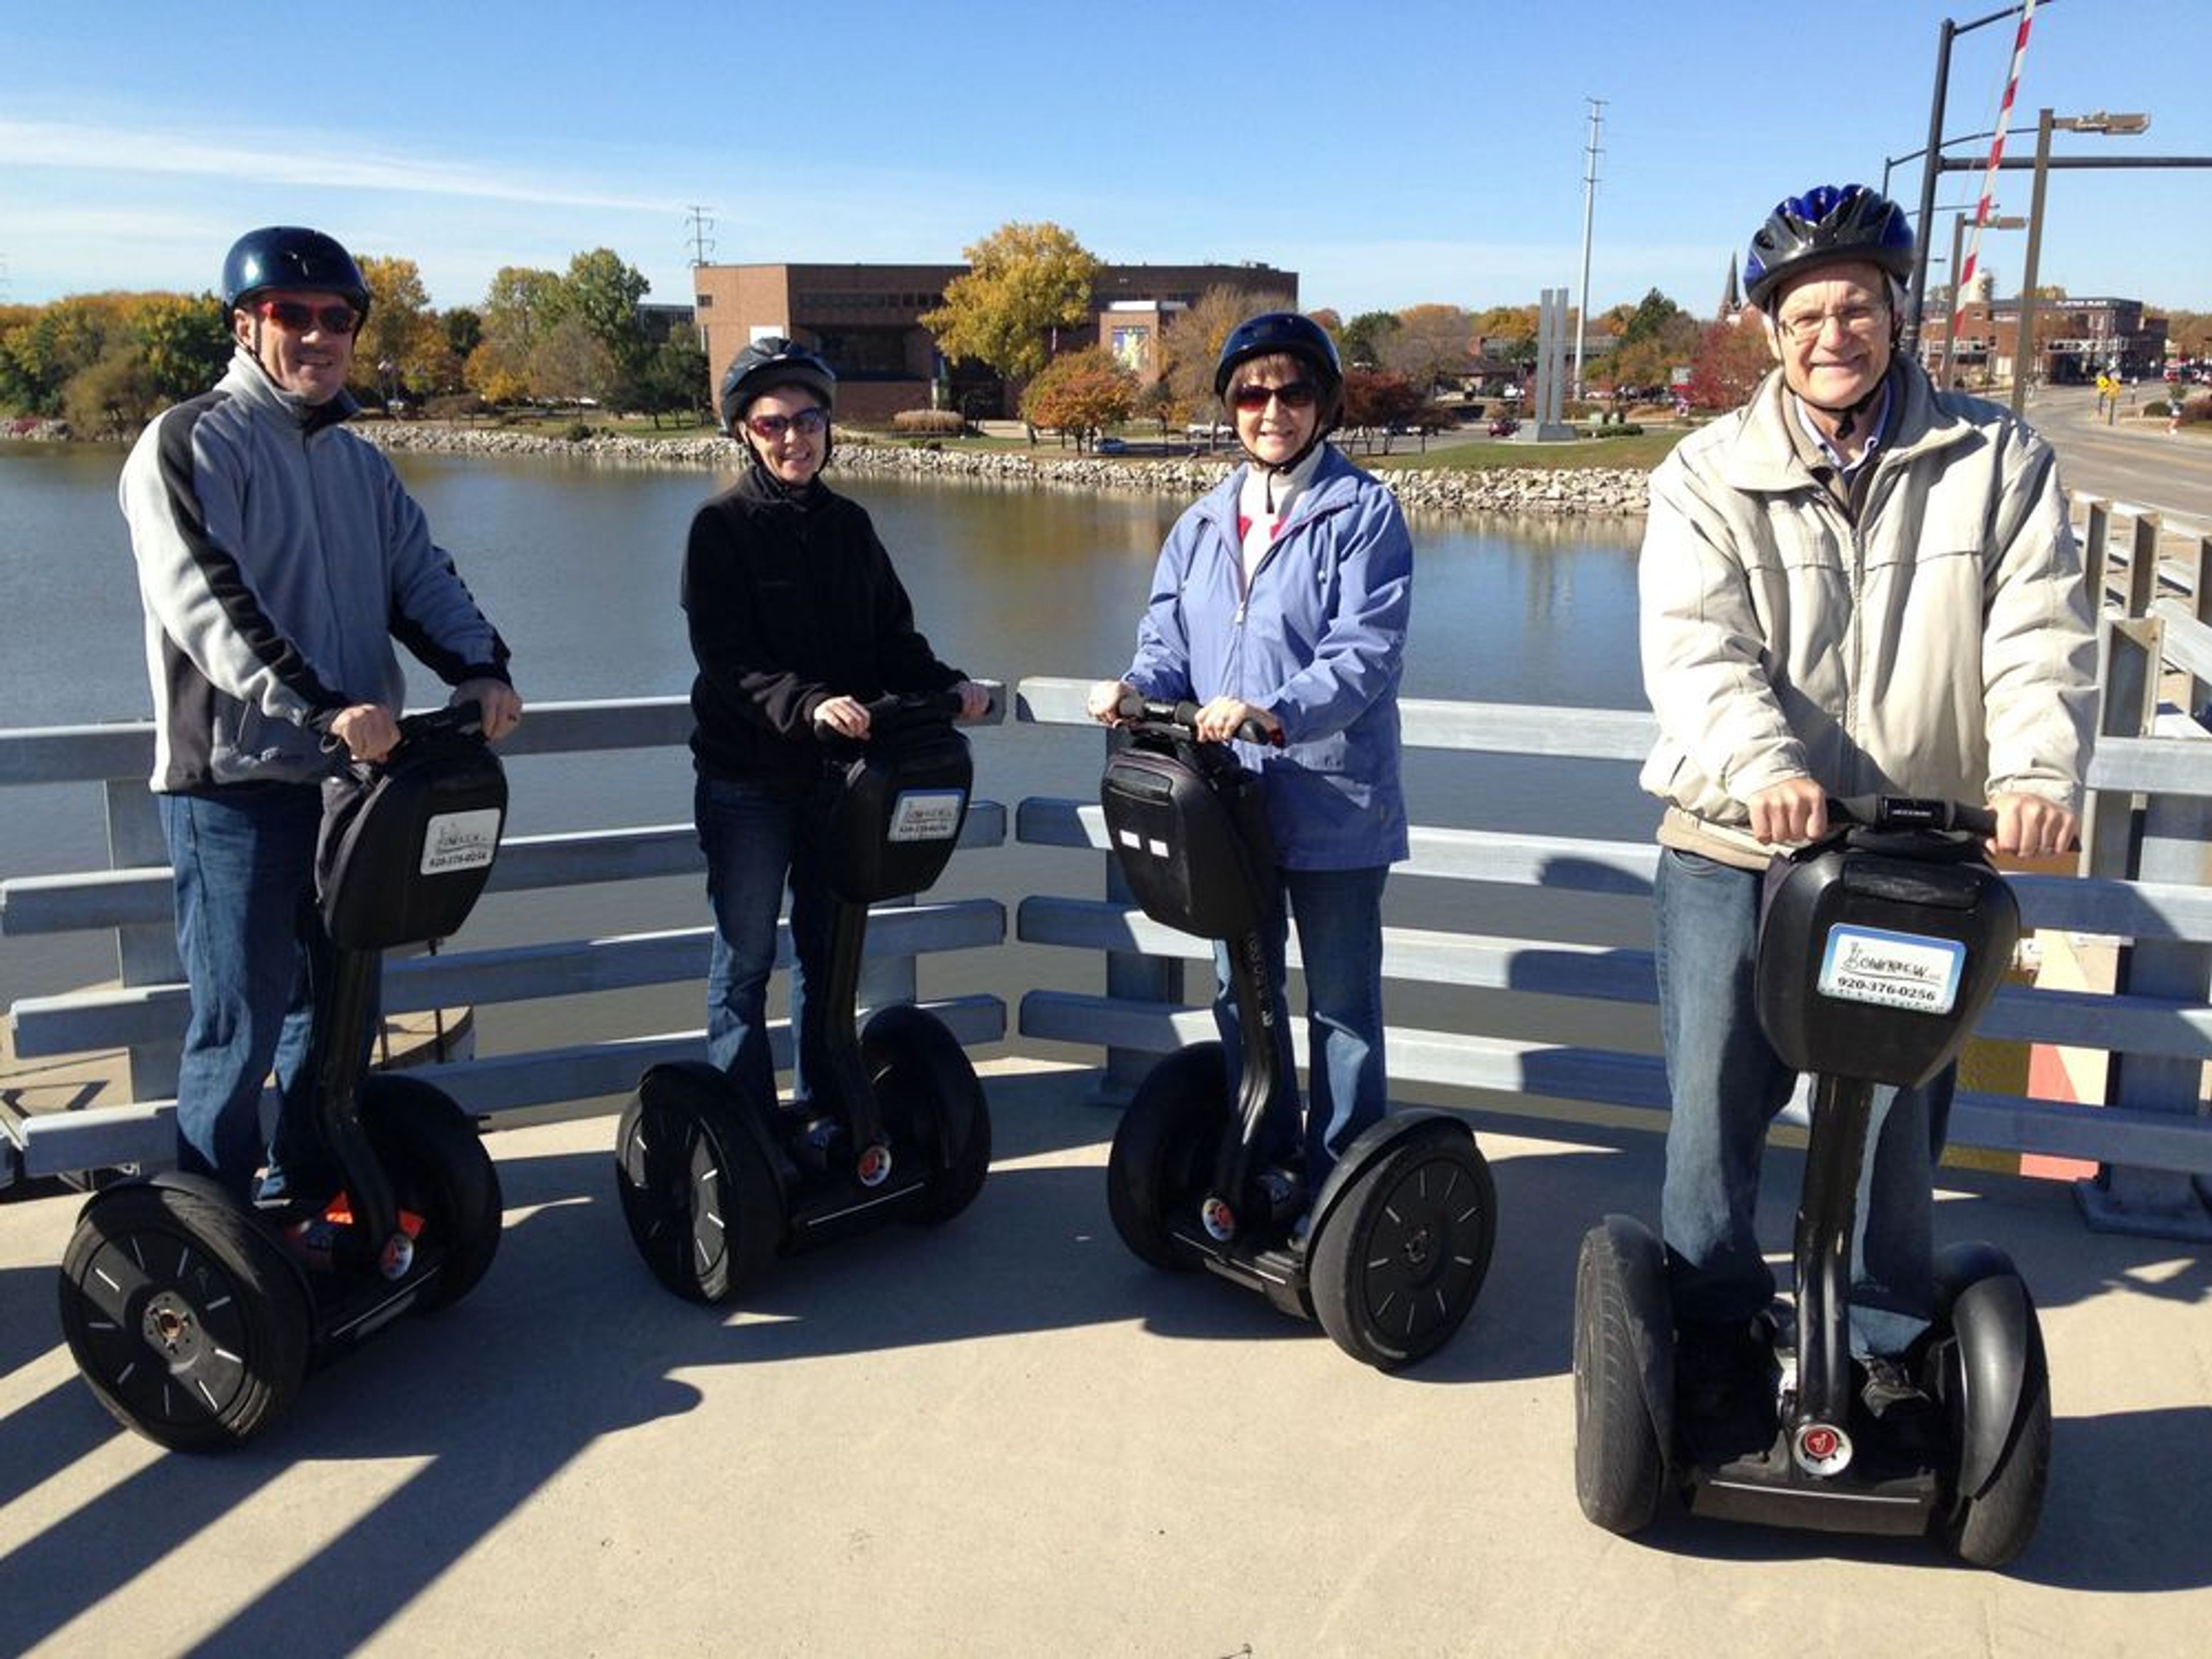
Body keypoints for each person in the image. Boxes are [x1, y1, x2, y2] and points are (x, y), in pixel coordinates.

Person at [1637, 183, 2095, 1429]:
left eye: (1856, 308)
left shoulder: (1995, 459)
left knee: (1899, 1113)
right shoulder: (1704, 475)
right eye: (1804, 315)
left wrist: (2037, 781)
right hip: (1736, 842)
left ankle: (1888, 1342)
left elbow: (2041, 636)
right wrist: (1765, 768)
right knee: (1713, 1114)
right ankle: (1717, 1327)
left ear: (1900, 313)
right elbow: (1697, 652)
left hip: (1913, 858)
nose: (1830, 334)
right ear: (1769, 328)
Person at [119, 225, 522, 1206]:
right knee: (240, 1022)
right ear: (247, 325)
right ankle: (211, 1236)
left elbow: (420, 577)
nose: (316, 335)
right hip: (235, 791)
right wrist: (324, 708)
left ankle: (306, 1197)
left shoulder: (358, 462)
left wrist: (480, 668)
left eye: (335, 318)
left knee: (338, 1010)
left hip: (354, 790)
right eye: (291, 316)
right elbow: (214, 607)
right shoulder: (191, 440)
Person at [1087, 312, 1412, 1225]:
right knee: (1245, 991)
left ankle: (1344, 1190)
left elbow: (1367, 649)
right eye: (1253, 393)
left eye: (1294, 392)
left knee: (1342, 1001)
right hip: (1227, 805)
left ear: (1326, 405)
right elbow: (1167, 641)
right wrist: (1132, 688)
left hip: (1332, 797)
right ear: (1231, 407)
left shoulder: (1364, 511)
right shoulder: (1200, 522)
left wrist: (1279, 711)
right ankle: (1257, 1160)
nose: (1272, 409)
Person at [684, 338, 990, 1109]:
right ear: (744, 434)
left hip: (841, 785)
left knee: (829, 954)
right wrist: (809, 702)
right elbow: (729, 659)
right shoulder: (720, 528)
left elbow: (893, 640)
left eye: (809, 420)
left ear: (829, 426)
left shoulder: (851, 526)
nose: (795, 438)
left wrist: (949, 685)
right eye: (772, 424)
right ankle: (742, 1126)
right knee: (747, 958)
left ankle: (829, 1111)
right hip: (749, 783)